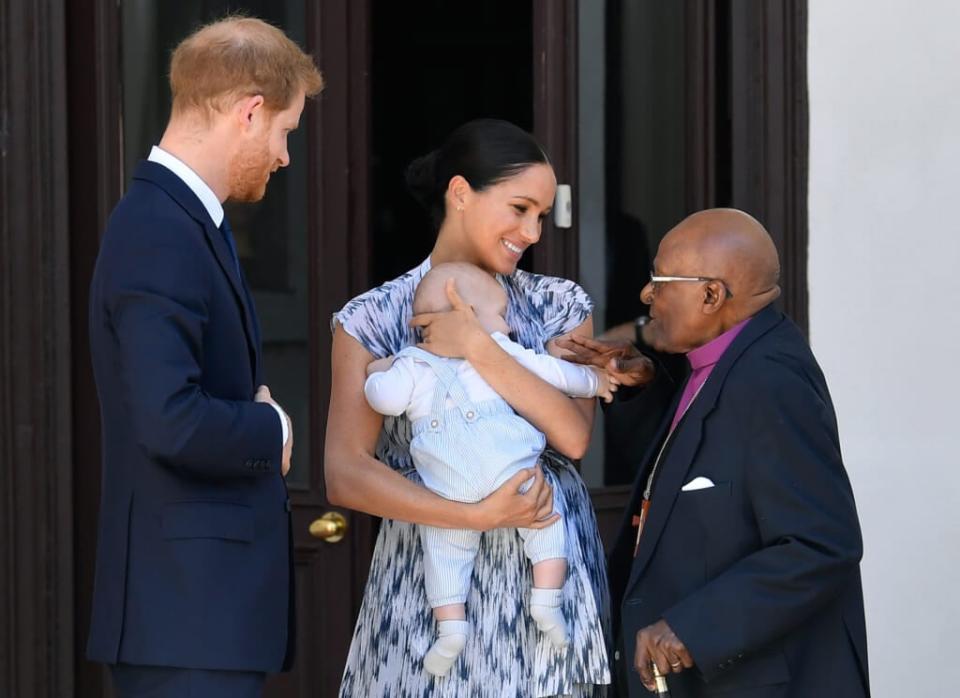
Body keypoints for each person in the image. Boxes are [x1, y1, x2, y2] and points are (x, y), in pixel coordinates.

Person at [326, 119, 622, 696]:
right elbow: (345, 474)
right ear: (459, 194)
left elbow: (574, 438)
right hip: (432, 582)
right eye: (519, 208)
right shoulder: (373, 318)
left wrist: (479, 348)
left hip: (547, 581)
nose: (532, 230)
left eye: (541, 213)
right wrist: (475, 517)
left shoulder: (557, 304)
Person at [86, 17, 323, 698]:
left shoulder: (184, 223)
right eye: (285, 133)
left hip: (197, 618)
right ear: (251, 112)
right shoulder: (160, 228)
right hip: (181, 621)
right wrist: (271, 430)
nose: (283, 156)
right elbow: (170, 419)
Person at [560, 209, 869, 697]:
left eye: (659, 280)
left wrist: (693, 628)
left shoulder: (772, 380)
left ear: (711, 295)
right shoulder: (719, 361)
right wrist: (644, 390)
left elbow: (822, 544)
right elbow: (698, 482)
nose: (645, 295)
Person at [363, 261, 619, 676]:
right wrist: (595, 383)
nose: (510, 327)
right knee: (545, 522)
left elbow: (385, 400)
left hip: (447, 490)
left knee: (443, 557)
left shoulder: (410, 364)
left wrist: (377, 372)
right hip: (510, 472)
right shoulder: (503, 351)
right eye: (501, 315)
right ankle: (546, 600)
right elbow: (556, 374)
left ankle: (450, 632)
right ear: (465, 311)